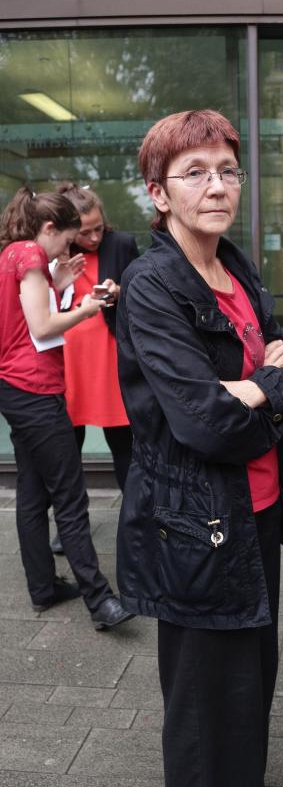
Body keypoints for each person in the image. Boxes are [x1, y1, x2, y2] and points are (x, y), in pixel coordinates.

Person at [116, 110, 283, 787]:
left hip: (256, 511)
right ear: (158, 193)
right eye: (194, 173)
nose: (217, 185)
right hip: (193, 523)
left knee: (252, 675)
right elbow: (199, 421)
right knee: (201, 695)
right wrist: (265, 383)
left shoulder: (237, 268)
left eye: (227, 169)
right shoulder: (152, 284)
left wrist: (259, 389)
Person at [0, 187, 135, 630]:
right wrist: (87, 306)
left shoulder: (12, 254)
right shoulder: (32, 256)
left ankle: (43, 588)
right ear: (50, 229)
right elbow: (42, 325)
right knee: (70, 498)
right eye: (68, 238)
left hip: (13, 387)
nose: (70, 249)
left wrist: (58, 285)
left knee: (33, 492)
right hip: (36, 389)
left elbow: (22, 319)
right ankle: (100, 601)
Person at [48, 184, 138, 554]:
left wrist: (119, 292)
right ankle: (69, 526)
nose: (94, 236)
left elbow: (142, 290)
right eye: (84, 231)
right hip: (66, 359)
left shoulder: (121, 244)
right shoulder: (53, 248)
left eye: (98, 227)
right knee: (68, 450)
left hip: (109, 354)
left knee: (125, 447)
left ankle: (137, 521)